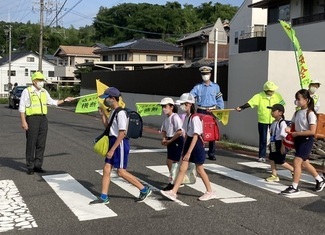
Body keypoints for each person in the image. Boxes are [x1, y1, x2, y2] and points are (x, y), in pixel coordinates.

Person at [89, 87, 152, 204]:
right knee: (107, 168)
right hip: (113, 141)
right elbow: (108, 127)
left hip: (120, 143)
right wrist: (103, 114)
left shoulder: (121, 113)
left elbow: (122, 133)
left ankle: (144, 189)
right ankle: (104, 196)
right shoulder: (113, 111)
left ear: (113, 99)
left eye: (106, 98)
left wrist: (112, 150)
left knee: (121, 172)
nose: (105, 100)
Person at [160, 93, 217, 201]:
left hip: (196, 145)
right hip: (189, 144)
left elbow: (195, 135)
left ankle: (210, 191)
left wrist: (188, 152)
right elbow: (186, 134)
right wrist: (184, 149)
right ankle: (173, 192)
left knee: (200, 169)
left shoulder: (194, 117)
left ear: (189, 104)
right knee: (182, 168)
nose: (181, 106)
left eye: (183, 104)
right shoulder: (187, 117)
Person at [19, 71, 73, 175]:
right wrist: (23, 122)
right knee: (31, 143)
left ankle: (38, 165)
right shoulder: (27, 91)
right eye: (39, 80)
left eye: (42, 80)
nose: (41, 82)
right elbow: (21, 108)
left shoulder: (44, 91)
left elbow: (53, 102)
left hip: (43, 119)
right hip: (32, 119)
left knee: (41, 144)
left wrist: (65, 100)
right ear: (34, 81)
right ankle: (30, 166)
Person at [281, 89, 325, 195]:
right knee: (305, 163)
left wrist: (297, 133)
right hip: (298, 140)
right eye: (296, 99)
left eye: (299, 99)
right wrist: (288, 129)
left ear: (306, 100)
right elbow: (292, 125)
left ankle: (294, 186)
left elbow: (312, 131)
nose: (297, 101)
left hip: (306, 140)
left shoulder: (310, 114)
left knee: (297, 162)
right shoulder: (297, 112)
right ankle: (320, 180)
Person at [235, 81, 285, 162]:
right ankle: (262, 156)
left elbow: (282, 106)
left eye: (273, 90)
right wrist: (241, 107)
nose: (273, 92)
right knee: (263, 139)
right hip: (263, 120)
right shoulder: (259, 96)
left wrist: (282, 118)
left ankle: (274, 153)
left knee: (274, 139)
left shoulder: (278, 96)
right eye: (271, 90)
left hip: (274, 121)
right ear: (266, 90)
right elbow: (250, 103)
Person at [190, 66, 224, 160]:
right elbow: (191, 97)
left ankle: (211, 153)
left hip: (212, 111)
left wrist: (220, 111)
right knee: (200, 132)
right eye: (203, 74)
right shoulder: (198, 87)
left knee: (212, 132)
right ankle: (200, 151)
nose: (205, 76)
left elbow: (219, 100)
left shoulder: (216, 87)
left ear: (210, 74)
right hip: (201, 110)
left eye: (207, 74)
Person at [159, 97, 184, 191]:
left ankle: (173, 182)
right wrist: (164, 139)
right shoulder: (166, 119)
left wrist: (170, 140)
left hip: (176, 140)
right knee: (171, 163)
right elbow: (164, 130)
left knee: (171, 162)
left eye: (165, 106)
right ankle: (175, 180)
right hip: (171, 140)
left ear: (171, 107)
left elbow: (179, 131)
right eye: (162, 107)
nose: (163, 109)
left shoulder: (175, 117)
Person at [265, 104, 294, 182]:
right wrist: (269, 143)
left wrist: (282, 146)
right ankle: (274, 175)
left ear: (280, 113)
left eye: (274, 111)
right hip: (273, 143)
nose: (272, 112)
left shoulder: (282, 123)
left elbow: (283, 136)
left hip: (280, 143)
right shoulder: (274, 122)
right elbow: (271, 134)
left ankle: (293, 169)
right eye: (271, 111)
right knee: (271, 158)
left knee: (280, 161)